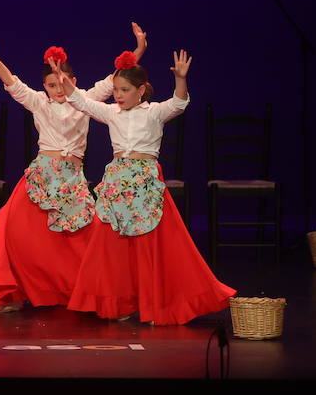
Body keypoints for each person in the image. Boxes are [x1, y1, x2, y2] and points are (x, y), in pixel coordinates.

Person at [0, 22, 147, 311]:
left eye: (62, 83)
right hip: (42, 177)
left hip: (72, 180)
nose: (58, 90)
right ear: (44, 86)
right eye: (51, 85)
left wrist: (138, 49)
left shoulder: (84, 99)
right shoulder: (39, 102)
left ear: (73, 80)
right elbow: (10, 80)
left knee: (80, 240)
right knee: (16, 235)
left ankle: (93, 294)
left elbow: (115, 78)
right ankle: (12, 293)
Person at [57, 49, 235, 324]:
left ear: (140, 90)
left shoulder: (153, 113)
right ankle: (120, 303)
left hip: (145, 184)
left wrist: (181, 79)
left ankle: (156, 304)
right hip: (117, 183)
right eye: (116, 90)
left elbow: (178, 103)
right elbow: (81, 102)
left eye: (125, 90)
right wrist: (63, 80)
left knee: (149, 246)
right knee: (114, 248)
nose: (118, 95)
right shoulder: (112, 112)